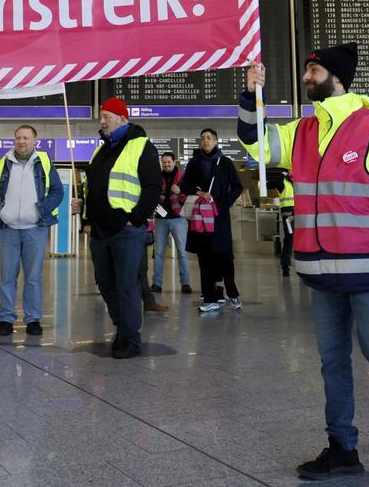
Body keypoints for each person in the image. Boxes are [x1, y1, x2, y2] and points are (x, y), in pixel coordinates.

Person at [239, 45, 369, 482]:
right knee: (332, 362)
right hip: (319, 271)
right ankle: (342, 449)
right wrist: (249, 97)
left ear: (335, 76)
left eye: (312, 69)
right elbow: (257, 145)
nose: (306, 76)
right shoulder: (302, 130)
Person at [70, 97, 162, 359]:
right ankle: (122, 329)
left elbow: (153, 187)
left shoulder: (141, 146)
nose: (101, 121)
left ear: (122, 118)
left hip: (126, 231)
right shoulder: (100, 150)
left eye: (106, 117)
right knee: (106, 284)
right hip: (99, 231)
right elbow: (92, 188)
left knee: (127, 285)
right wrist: (85, 214)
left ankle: (131, 339)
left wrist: (135, 218)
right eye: (101, 116)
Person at [0, 124, 64, 337]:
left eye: (26, 138)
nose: (22, 141)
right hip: (7, 229)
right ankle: (6, 319)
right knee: (7, 276)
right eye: (18, 137)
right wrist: (0, 211)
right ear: (14, 140)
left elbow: (57, 191)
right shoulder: (2, 163)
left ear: (34, 141)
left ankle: (33, 319)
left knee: (33, 277)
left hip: (35, 229)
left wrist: (42, 210)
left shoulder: (44, 163)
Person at [182, 129, 244, 313]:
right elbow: (185, 185)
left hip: (219, 217)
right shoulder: (194, 163)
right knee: (204, 257)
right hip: (200, 217)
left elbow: (237, 187)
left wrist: (223, 204)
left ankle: (231, 291)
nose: (205, 141)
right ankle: (209, 297)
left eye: (209, 138)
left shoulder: (224, 162)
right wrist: (199, 193)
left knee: (225, 256)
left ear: (216, 141)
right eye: (202, 138)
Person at [152, 152, 192, 293]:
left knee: (182, 251)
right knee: (158, 253)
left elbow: (189, 195)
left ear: (174, 162)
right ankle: (156, 284)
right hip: (161, 219)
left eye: (169, 162)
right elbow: (152, 196)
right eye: (164, 162)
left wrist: (180, 191)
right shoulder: (156, 177)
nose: (166, 165)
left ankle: (185, 283)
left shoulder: (182, 177)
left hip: (178, 219)